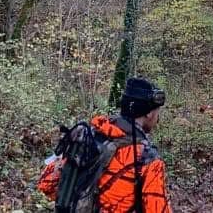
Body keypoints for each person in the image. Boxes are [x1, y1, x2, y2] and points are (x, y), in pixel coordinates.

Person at [38, 76, 172, 212]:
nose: (157, 117)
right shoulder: (147, 158)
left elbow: (46, 184)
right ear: (149, 113)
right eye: (157, 111)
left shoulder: (89, 136)